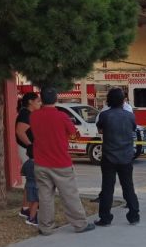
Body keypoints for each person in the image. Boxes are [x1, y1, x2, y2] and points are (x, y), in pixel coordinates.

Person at [29, 87, 95, 235]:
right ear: (56, 99)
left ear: (41, 100)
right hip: (61, 162)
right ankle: (80, 224)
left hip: (41, 162)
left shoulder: (34, 116)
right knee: (69, 195)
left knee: (45, 196)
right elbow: (73, 133)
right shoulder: (62, 116)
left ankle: (45, 227)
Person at [94, 87, 140, 226]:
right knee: (128, 186)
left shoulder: (105, 115)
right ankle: (134, 215)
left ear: (108, 100)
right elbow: (132, 129)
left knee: (108, 187)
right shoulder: (130, 116)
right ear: (123, 100)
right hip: (126, 156)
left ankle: (105, 218)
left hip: (109, 156)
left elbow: (100, 129)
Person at [15, 92, 41, 221]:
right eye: (38, 101)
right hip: (26, 150)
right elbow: (20, 132)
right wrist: (31, 146)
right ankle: (29, 210)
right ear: (30, 102)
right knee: (32, 179)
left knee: (30, 181)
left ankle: (25, 208)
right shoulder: (25, 114)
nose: (40, 104)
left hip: (28, 149)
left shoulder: (28, 114)